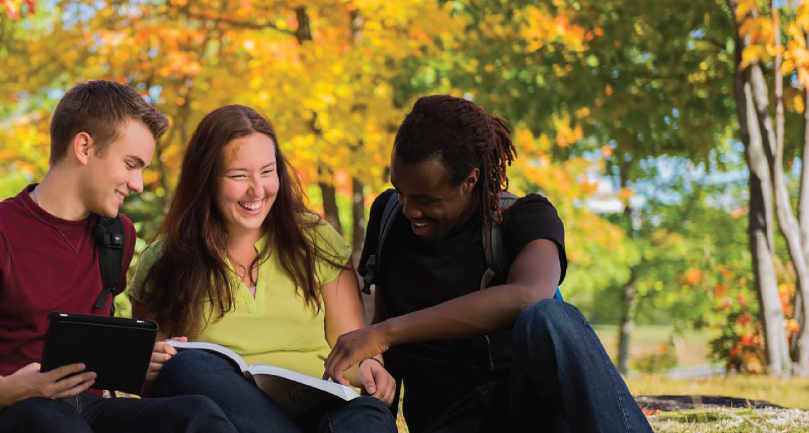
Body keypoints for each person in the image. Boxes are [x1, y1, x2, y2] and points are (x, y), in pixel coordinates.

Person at [322, 95, 653, 432]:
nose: (409, 209)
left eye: (425, 199)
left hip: (524, 406)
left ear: (470, 180)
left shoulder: (523, 218)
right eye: (400, 191)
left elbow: (531, 295)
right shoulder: (389, 216)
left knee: (549, 316)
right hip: (446, 419)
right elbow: (383, 327)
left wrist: (384, 334)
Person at [0, 81, 237, 433]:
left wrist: (138, 359)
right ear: (84, 147)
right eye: (131, 164)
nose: (139, 184)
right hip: (2, 412)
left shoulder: (118, 237)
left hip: (85, 410)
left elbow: (85, 349)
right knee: (51, 422)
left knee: (197, 414)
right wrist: (8, 389)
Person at [130, 105, 398, 433]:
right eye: (239, 176)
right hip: (230, 420)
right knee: (186, 367)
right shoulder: (165, 260)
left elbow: (352, 348)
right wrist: (147, 366)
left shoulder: (316, 239)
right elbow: (152, 386)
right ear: (206, 178)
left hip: (320, 412)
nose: (257, 190)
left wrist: (370, 367)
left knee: (368, 415)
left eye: (267, 172)